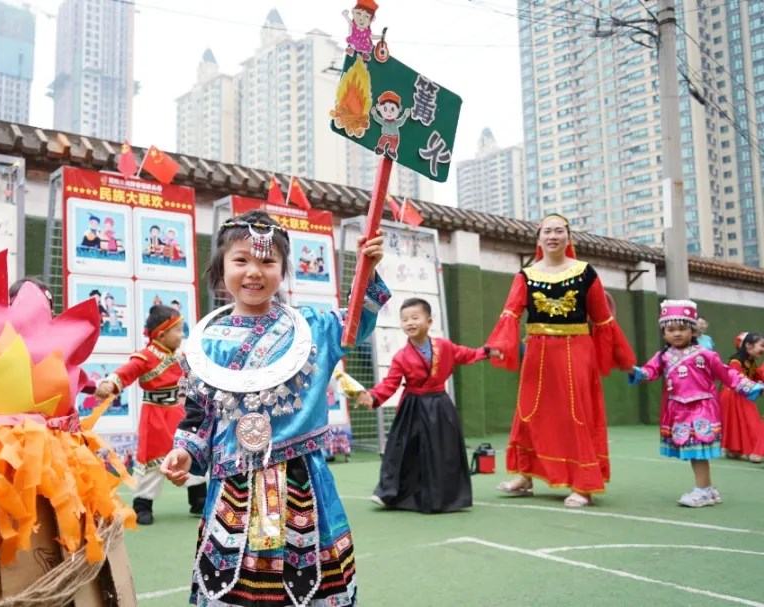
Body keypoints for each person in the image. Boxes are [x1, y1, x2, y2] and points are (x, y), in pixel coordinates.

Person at [160, 209, 388, 607]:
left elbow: (356, 321)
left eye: (267, 261)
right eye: (241, 260)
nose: (254, 271)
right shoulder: (206, 342)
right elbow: (199, 415)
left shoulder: (314, 327)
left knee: (311, 581)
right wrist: (184, 451)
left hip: (303, 482)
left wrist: (366, 268)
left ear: (283, 270)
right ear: (221, 268)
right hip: (235, 486)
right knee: (235, 586)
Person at [486, 214, 636, 508]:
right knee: (528, 411)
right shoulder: (526, 275)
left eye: (559, 231)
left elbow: (603, 318)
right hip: (537, 350)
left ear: (568, 238)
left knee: (576, 414)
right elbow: (510, 313)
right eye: (547, 232)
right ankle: (524, 475)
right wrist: (499, 344)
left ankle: (583, 485)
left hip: (576, 351)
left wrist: (621, 357)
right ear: (539, 239)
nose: (552, 236)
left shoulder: (585, 272)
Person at [356, 298, 502, 514]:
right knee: (403, 451)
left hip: (440, 406)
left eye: (415, 318)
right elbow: (390, 383)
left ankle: (444, 498)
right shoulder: (401, 356)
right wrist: (372, 396)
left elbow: (466, 354)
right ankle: (389, 493)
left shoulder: (444, 346)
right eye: (405, 319)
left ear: (429, 321)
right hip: (412, 408)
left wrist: (486, 352)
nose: (410, 323)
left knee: (443, 452)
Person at [629, 301, 764, 507]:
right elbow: (650, 371)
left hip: (702, 408)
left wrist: (750, 386)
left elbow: (727, 373)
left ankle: (703, 490)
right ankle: (708, 489)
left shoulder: (705, 354)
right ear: (664, 333)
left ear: (692, 331)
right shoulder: (663, 356)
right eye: (670, 329)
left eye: (682, 329)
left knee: (698, 450)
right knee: (694, 452)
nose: (676, 334)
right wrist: (635, 371)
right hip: (678, 409)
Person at [94, 304, 206, 525]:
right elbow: (125, 373)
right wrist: (109, 383)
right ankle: (142, 505)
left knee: (188, 450)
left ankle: (198, 498)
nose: (181, 335)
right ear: (161, 334)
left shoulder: (180, 357)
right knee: (153, 461)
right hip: (154, 416)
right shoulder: (144, 358)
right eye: (178, 330)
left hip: (178, 413)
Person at [719, 332, 764, 463]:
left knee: (745, 421)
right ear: (748, 345)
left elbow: (758, 377)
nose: (763, 349)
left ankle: (736, 450)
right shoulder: (735, 361)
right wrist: (758, 386)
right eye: (761, 345)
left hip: (742, 395)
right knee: (743, 422)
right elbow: (738, 379)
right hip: (732, 395)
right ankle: (743, 450)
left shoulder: (752, 363)